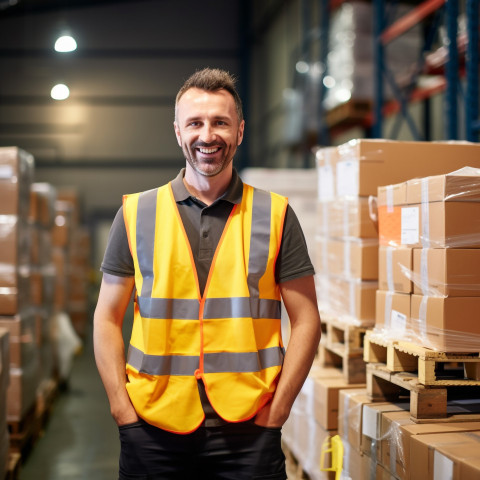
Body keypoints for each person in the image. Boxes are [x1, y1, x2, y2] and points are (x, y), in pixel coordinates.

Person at [94, 67, 321, 480]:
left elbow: (306, 320)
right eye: (195, 123)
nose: (207, 135)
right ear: (178, 131)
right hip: (152, 424)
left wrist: (280, 409)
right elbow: (107, 316)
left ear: (240, 131)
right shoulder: (136, 213)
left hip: (249, 429)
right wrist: (120, 409)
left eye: (220, 122)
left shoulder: (276, 215)